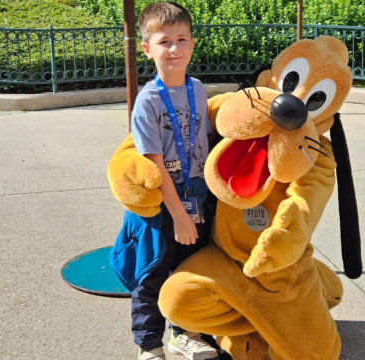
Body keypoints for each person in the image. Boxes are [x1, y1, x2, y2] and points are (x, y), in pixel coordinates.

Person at [110, 2, 220, 360]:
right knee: (154, 273)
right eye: (164, 41)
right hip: (164, 204)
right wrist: (179, 215)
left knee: (192, 268)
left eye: (182, 39)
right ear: (147, 48)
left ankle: (186, 333)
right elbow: (154, 165)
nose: (174, 48)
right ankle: (150, 345)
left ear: (192, 43)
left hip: (197, 195)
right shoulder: (147, 101)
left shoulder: (199, 88)